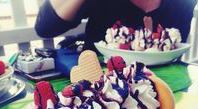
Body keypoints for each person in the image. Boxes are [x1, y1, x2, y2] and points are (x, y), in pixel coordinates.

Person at [35, 0, 197, 50]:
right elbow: (45, 27)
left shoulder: (182, 3)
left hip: (164, 89)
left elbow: (175, 50)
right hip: (97, 88)